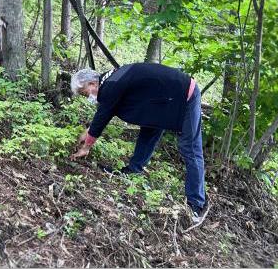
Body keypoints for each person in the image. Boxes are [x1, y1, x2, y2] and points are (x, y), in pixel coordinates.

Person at [69, 63, 209, 224]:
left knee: (190, 148)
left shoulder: (110, 85)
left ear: (92, 83)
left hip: (185, 94)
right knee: (150, 126)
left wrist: (86, 146)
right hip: (162, 100)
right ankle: (134, 169)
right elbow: (105, 110)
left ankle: (196, 204)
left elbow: (103, 115)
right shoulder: (111, 79)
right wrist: (90, 130)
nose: (87, 97)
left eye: (84, 92)